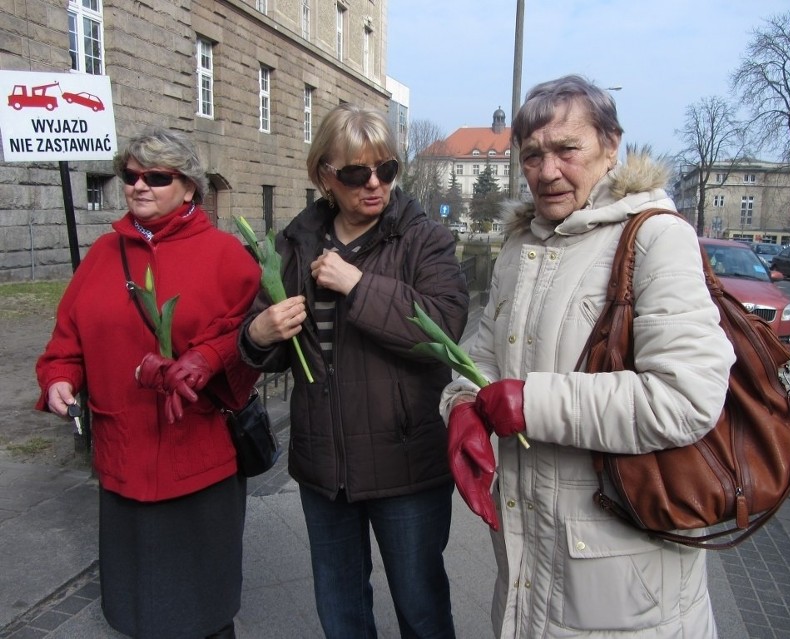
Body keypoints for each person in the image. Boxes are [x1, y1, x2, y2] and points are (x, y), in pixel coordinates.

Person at [441, 75, 736, 638]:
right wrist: (459, 404)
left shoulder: (655, 238)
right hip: (530, 559)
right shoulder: (519, 246)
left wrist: (532, 403)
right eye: (532, 155)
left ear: (611, 145)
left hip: (625, 581)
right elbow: (481, 359)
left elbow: (688, 397)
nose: (547, 171)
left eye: (566, 149)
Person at [238, 103, 468, 639]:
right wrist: (258, 335)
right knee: (340, 611)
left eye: (386, 170)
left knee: (422, 608)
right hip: (325, 467)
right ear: (325, 176)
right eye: (355, 173)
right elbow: (276, 349)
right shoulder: (295, 245)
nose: (374, 185)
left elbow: (445, 328)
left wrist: (359, 286)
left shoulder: (422, 238)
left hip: (406, 464)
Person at [35, 127, 261, 639]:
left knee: (203, 605)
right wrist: (59, 380)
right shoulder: (101, 255)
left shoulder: (227, 256)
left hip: (198, 457)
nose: (140, 186)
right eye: (131, 175)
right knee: (137, 604)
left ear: (189, 189)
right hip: (124, 455)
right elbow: (65, 342)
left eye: (157, 177)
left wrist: (203, 358)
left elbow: (250, 342)